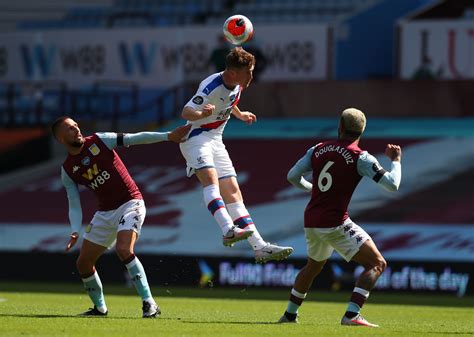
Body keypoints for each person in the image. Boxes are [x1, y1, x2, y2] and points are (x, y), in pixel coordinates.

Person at [51, 116, 190, 318]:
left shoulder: (100, 140)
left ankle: (149, 303)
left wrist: (168, 136)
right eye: (70, 129)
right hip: (105, 212)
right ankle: (100, 308)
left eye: (76, 126)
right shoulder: (67, 170)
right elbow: (73, 203)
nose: (77, 130)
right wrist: (74, 229)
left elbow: (135, 138)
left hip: (131, 203)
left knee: (123, 249)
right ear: (60, 139)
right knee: (83, 263)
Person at [278, 108, 402, 327]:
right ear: (362, 131)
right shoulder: (360, 157)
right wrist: (396, 161)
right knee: (377, 263)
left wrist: (311, 188)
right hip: (335, 222)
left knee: (313, 267)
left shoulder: (318, 149)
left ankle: (289, 315)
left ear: (340, 127)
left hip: (311, 220)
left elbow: (292, 176)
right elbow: (392, 185)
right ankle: (352, 315)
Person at [179, 47, 293, 263]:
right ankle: (227, 229)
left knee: (233, 192)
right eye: (248, 72)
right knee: (211, 182)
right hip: (196, 138)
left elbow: (230, 102)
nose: (252, 76)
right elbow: (186, 112)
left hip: (215, 140)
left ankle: (260, 247)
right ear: (232, 73)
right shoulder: (210, 86)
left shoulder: (237, 84)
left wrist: (240, 115)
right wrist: (201, 113)